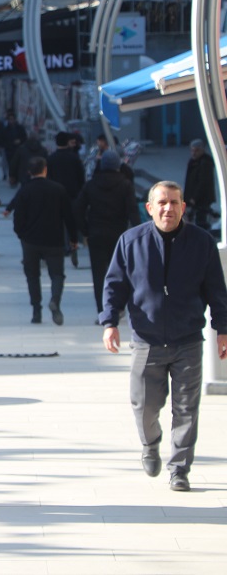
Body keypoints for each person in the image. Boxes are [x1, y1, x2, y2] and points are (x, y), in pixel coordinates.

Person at [101, 181, 227, 492]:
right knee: (144, 405)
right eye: (162, 203)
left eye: (174, 202)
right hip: (147, 340)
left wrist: (223, 328)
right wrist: (109, 322)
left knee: (186, 408)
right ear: (150, 208)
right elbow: (114, 284)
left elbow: (216, 290)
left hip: (187, 340)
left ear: (183, 207)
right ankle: (150, 444)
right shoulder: (131, 241)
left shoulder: (201, 242)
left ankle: (180, 469)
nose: (168, 208)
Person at [8, 157, 78, 325]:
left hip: (30, 241)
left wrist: (21, 234)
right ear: (45, 170)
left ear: (29, 172)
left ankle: (36, 311)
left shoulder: (25, 191)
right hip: (54, 239)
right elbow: (68, 216)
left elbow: (18, 218)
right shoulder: (58, 189)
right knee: (57, 274)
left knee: (32, 276)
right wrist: (74, 239)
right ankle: (55, 301)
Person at [75, 150, 141, 313]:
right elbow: (132, 210)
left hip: (96, 234)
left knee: (99, 275)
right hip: (119, 235)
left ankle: (103, 310)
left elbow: (77, 209)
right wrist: (138, 233)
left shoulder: (91, 184)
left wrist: (85, 230)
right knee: (121, 272)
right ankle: (118, 308)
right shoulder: (125, 185)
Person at [184, 139, 216, 231]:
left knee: (201, 221)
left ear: (202, 150)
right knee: (194, 219)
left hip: (202, 198)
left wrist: (194, 197)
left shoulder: (205, 162)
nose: (194, 153)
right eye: (192, 150)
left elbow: (203, 183)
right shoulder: (193, 161)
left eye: (196, 150)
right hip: (193, 197)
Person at [47, 131, 86, 202]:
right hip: (72, 194)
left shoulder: (50, 158)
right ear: (67, 142)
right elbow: (80, 176)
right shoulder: (74, 158)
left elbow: (48, 176)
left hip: (55, 194)